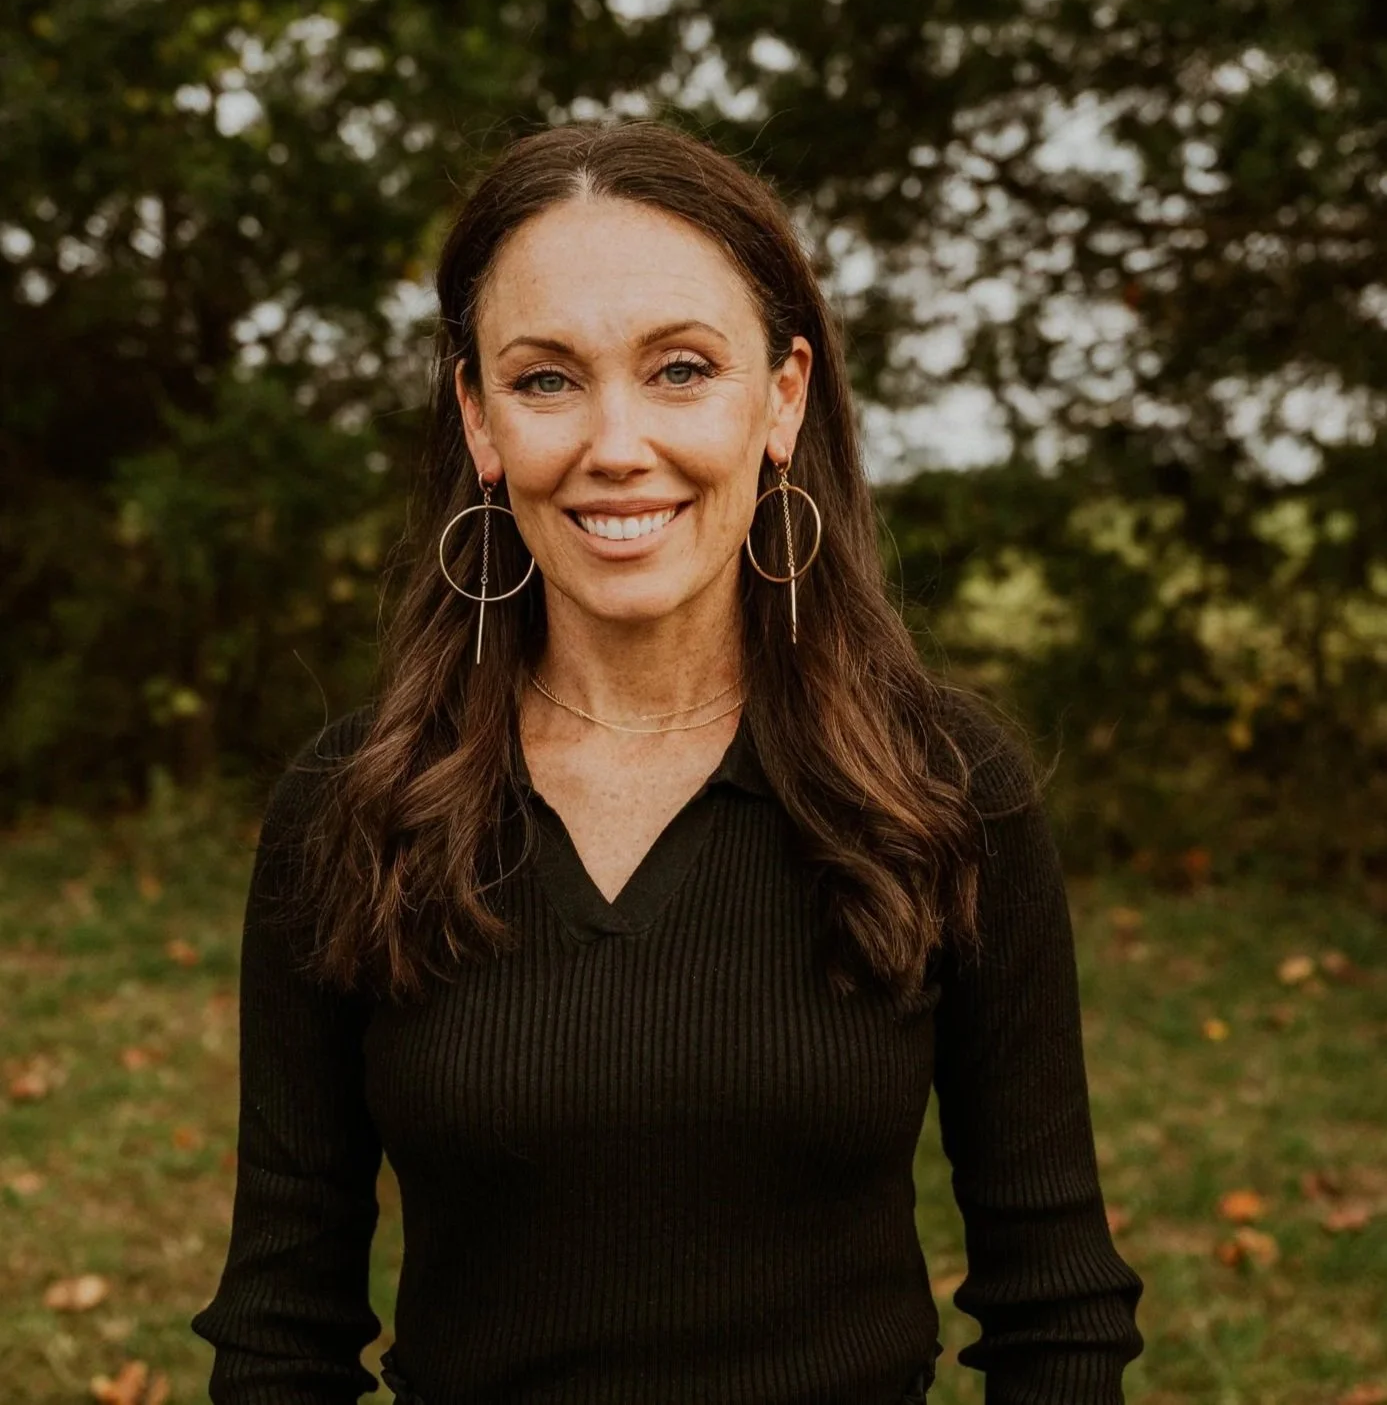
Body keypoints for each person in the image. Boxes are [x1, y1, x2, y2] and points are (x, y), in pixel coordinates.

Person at [190, 120, 1144, 1404]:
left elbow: (1057, 1308)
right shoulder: (354, 806)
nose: (615, 442)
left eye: (680, 368)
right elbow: (280, 1331)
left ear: (783, 396)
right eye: (545, 381)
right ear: (478, 418)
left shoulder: (942, 787)